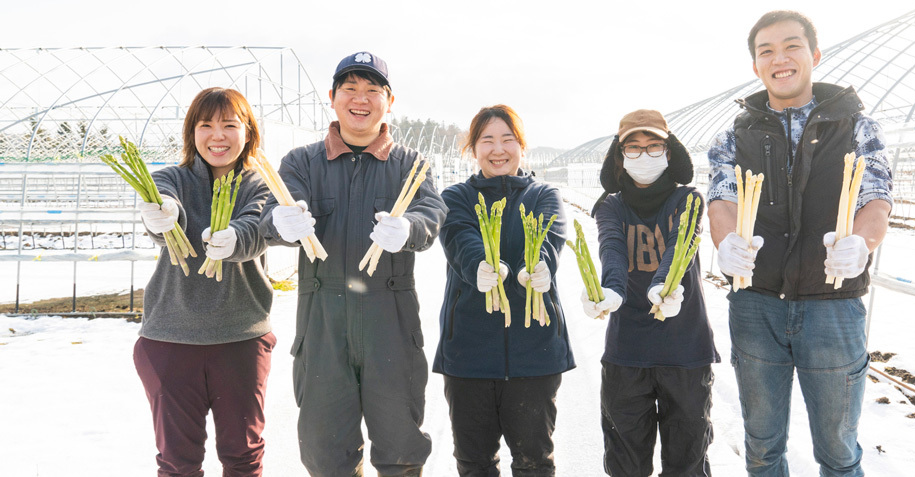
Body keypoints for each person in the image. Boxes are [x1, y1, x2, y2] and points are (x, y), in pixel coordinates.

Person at [706, 10, 893, 476]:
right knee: (762, 447)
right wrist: (726, 243)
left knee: (837, 449)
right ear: (755, 66)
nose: (779, 58)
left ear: (814, 53)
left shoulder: (856, 127)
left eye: (791, 46)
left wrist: (862, 246)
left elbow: (876, 199)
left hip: (832, 306)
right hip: (756, 305)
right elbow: (722, 198)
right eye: (765, 51)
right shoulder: (734, 133)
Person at [259, 51, 446, 477]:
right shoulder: (302, 162)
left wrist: (410, 228)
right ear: (333, 96)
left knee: (400, 447)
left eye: (372, 89)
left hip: (391, 321)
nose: (360, 99)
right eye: (350, 88)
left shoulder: (410, 165)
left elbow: (431, 214)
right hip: (323, 320)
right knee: (326, 454)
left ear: (389, 101)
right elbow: (271, 214)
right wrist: (281, 222)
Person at [132, 86, 275, 476]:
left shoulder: (260, 185)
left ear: (248, 132)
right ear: (191, 133)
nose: (217, 135)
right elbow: (162, 206)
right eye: (206, 124)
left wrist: (233, 239)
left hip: (240, 339)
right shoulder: (171, 179)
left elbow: (255, 227)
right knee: (178, 462)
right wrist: (162, 215)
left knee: (243, 458)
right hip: (171, 340)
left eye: (230, 124)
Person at [433, 104, 574, 477]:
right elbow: (460, 237)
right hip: (468, 355)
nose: (498, 149)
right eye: (487, 140)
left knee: (534, 463)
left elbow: (550, 239)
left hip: (535, 355)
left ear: (522, 146)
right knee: (474, 463)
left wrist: (536, 268)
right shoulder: (456, 197)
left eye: (507, 140)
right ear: (473, 149)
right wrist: (481, 265)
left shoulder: (544, 194)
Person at [583, 109, 720, 476]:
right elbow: (611, 248)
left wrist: (664, 284)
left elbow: (681, 243)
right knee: (625, 464)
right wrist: (610, 290)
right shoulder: (610, 206)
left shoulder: (688, 200)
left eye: (653, 146)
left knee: (687, 464)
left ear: (669, 152)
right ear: (620, 156)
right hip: (627, 353)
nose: (644, 155)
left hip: (685, 352)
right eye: (634, 148)